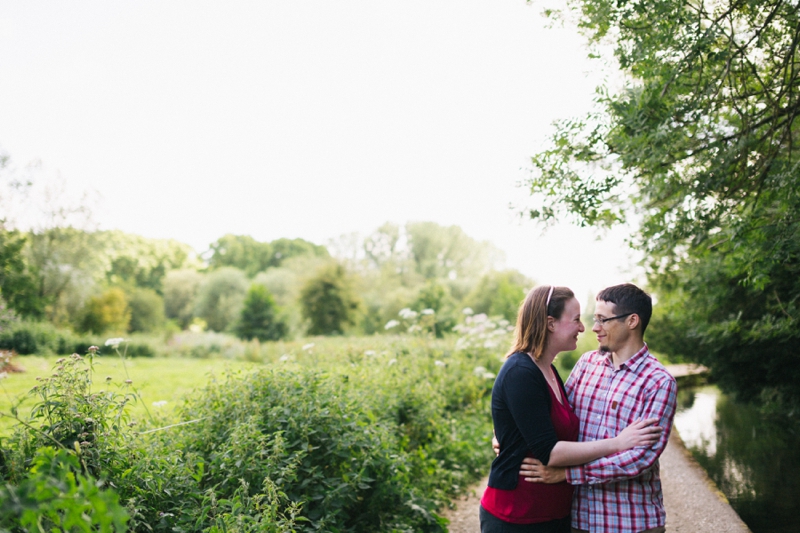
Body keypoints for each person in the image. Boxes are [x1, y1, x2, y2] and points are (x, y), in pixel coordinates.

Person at [480, 285, 662, 533]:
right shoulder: (578, 365)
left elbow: (639, 457)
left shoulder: (658, 381)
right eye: (579, 319)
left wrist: (567, 474)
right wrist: (510, 434)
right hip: (526, 515)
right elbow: (546, 441)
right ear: (551, 324)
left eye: (602, 319)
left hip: (601, 518)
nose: (588, 327)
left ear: (632, 321)